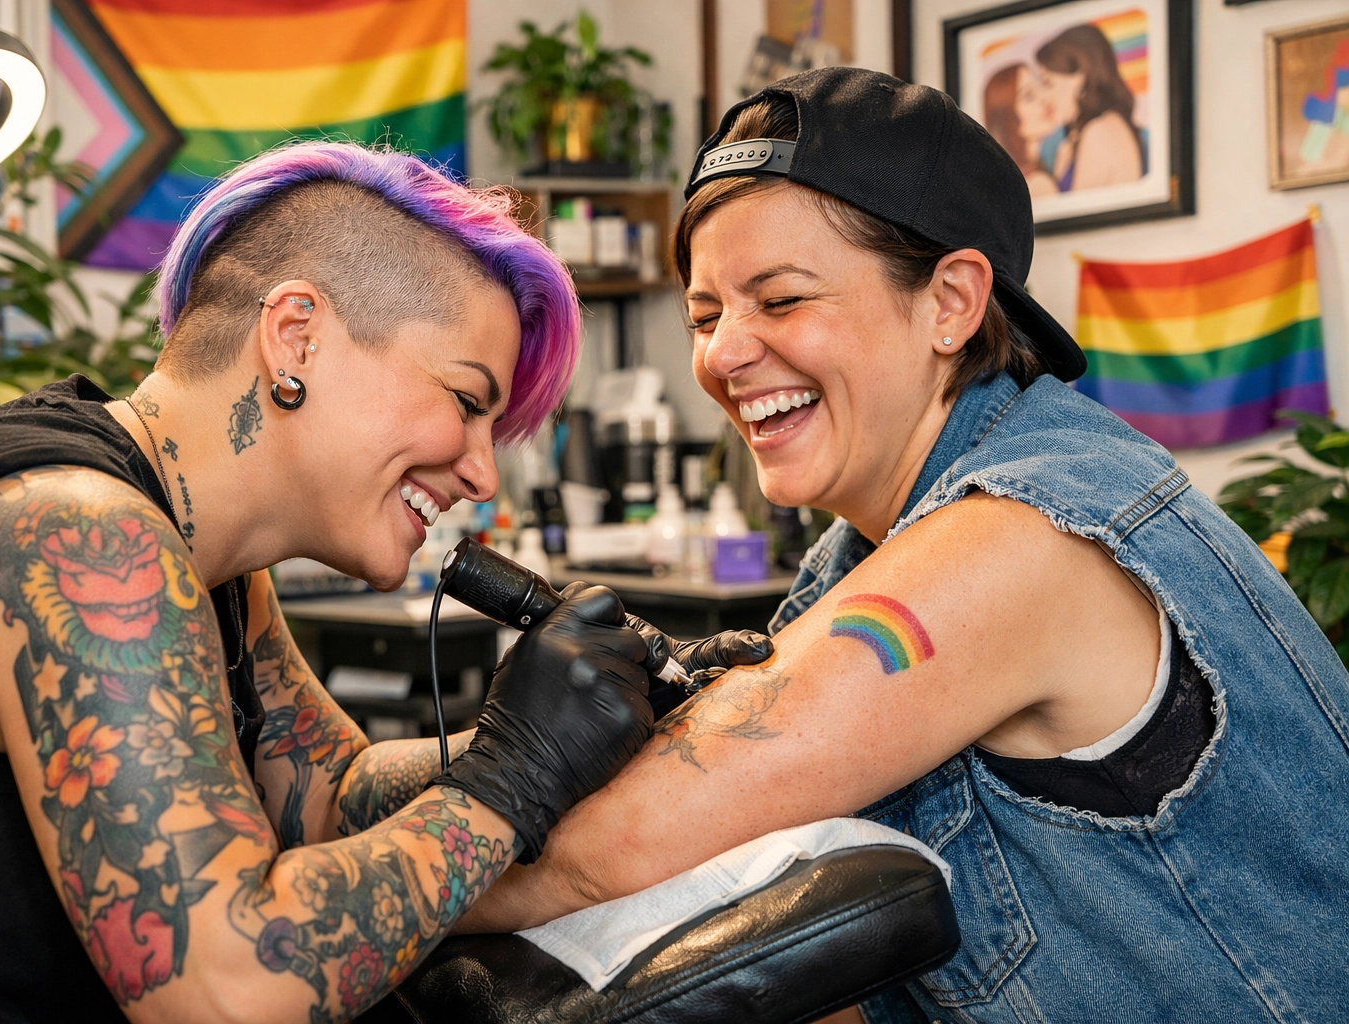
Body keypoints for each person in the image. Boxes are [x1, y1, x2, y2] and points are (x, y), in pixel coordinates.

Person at [456, 68, 1349, 1020]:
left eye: (781, 300)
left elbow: (607, 856)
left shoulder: (1017, 537)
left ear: (952, 302)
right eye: (705, 316)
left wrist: (350, 890)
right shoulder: (854, 557)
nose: (721, 354)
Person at [0, 141, 766, 1023]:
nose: (483, 473)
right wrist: (513, 775)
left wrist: (590, 731)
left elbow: (325, 798)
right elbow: (225, 990)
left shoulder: (205, 559)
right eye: (466, 400)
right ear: (296, 336)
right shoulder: (77, 534)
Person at [1037, 24, 1145, 191]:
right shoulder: (1074, 138)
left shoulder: (1100, 132)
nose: (1043, 96)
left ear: (1080, 78)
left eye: (1048, 83)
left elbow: (1078, 208)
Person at [981, 63, 1060, 197]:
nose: (1044, 98)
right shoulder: (1037, 184)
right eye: (1029, 95)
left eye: (1041, 86)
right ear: (1008, 117)